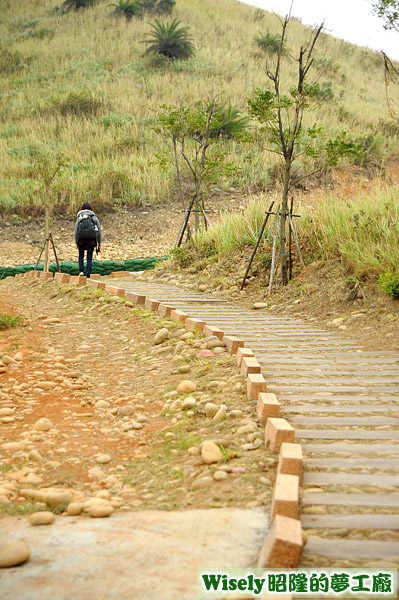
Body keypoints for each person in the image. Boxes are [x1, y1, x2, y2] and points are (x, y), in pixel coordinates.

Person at [74, 202, 102, 279]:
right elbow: (99, 230)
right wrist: (99, 242)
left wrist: (76, 242)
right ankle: (88, 275)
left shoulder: (80, 217)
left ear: (81, 208)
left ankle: (81, 271)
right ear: (91, 208)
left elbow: (76, 230)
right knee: (89, 257)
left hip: (81, 240)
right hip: (91, 240)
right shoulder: (93, 217)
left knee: (81, 256)